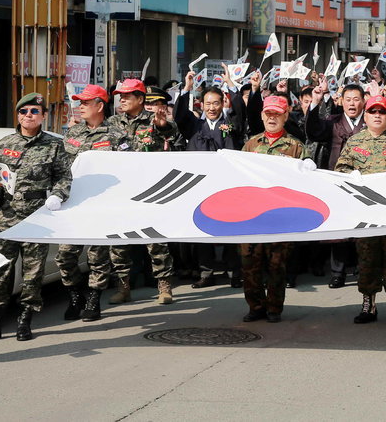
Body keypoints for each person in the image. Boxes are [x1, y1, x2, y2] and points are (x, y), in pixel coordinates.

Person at [0, 93, 71, 343]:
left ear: (43, 116)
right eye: (24, 111)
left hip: (37, 216)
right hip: (7, 216)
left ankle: (24, 320)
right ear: (17, 115)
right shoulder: (5, 142)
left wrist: (58, 196)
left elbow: (64, 177)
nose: (28, 115)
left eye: (34, 111)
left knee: (32, 272)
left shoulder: (53, 145)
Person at [334, 95, 386, 325]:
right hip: (367, 212)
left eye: (382, 112)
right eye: (373, 112)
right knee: (367, 258)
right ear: (366, 116)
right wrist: (353, 176)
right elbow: (340, 169)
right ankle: (368, 304)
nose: (377, 115)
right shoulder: (355, 141)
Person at [57, 84, 129, 322]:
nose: (80, 107)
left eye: (85, 103)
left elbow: (129, 170)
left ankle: (93, 299)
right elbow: (60, 167)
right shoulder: (72, 134)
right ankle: (75, 294)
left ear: (100, 106)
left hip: (101, 206)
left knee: (97, 256)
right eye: (80, 103)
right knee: (65, 256)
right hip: (74, 204)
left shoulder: (117, 136)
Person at [176, 70, 254, 288]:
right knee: (202, 228)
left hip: (228, 185)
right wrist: (186, 89)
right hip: (201, 185)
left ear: (223, 103)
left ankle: (233, 271)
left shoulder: (231, 124)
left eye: (216, 103)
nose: (212, 108)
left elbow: (241, 111)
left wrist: (230, 83)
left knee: (231, 228)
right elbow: (179, 116)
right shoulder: (194, 126)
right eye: (208, 103)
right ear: (201, 104)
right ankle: (206, 272)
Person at [108, 78, 179, 305]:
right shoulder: (112, 123)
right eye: (121, 96)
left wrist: (162, 126)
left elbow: (171, 134)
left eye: (128, 96)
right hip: (120, 192)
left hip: (149, 191)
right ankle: (123, 286)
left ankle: (164, 286)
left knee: (156, 242)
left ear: (140, 99)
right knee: (118, 243)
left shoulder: (153, 120)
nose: (123, 99)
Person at [239, 96, 306, 323]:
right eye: (268, 113)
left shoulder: (296, 146)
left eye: (277, 113)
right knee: (250, 263)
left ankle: (274, 308)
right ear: (261, 115)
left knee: (277, 264)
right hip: (253, 216)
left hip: (281, 215)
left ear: (286, 116)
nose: (272, 117)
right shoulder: (251, 145)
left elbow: (305, 182)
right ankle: (255, 306)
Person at [307, 83, 366, 288]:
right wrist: (315, 102)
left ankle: (364, 269)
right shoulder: (333, 122)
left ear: (363, 101)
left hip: (364, 182)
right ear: (340, 101)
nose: (352, 103)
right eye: (348, 99)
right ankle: (337, 273)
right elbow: (313, 132)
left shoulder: (370, 121)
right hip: (338, 181)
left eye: (356, 99)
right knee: (339, 230)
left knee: (363, 227)